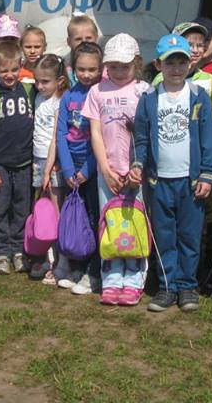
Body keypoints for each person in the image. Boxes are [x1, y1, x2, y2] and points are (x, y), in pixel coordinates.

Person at [133, 34, 212, 313]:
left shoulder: (198, 96)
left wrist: (207, 173)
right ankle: (167, 286)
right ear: (159, 65)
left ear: (190, 63)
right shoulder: (149, 99)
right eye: (170, 63)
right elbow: (141, 138)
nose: (176, 68)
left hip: (190, 182)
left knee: (189, 235)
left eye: (182, 62)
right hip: (159, 181)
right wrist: (138, 163)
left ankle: (187, 286)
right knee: (165, 235)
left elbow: (208, 137)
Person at [82, 33, 151, 306]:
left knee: (135, 223)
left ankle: (134, 277)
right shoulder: (97, 91)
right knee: (110, 224)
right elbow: (95, 133)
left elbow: (146, 134)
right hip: (107, 172)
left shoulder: (144, 91)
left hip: (136, 172)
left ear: (137, 63)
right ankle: (111, 276)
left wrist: (138, 168)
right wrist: (105, 169)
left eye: (125, 66)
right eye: (113, 66)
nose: (119, 72)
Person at [55, 41, 103, 294]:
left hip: (92, 168)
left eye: (92, 69)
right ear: (73, 68)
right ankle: (75, 264)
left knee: (93, 218)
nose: (86, 74)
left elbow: (102, 138)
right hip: (71, 170)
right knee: (74, 216)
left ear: (100, 69)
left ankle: (92, 271)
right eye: (81, 69)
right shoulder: (68, 97)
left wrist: (86, 169)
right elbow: (61, 134)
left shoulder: (101, 95)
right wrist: (67, 169)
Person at [0, 40, 36, 275]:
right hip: (0, 162)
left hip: (25, 161)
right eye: (4, 70)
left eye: (14, 69)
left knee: (21, 207)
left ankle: (18, 250)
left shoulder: (29, 90)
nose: (9, 75)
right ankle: (1, 252)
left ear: (21, 66)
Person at [30, 54, 69, 282]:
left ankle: (61, 261)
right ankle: (45, 254)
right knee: (43, 209)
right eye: (37, 81)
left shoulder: (59, 101)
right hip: (38, 158)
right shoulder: (39, 98)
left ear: (59, 80)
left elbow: (56, 137)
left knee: (56, 209)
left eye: (45, 82)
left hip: (53, 161)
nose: (39, 86)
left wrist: (49, 168)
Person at [152, 22, 212, 115]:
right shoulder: (160, 78)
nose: (195, 50)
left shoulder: (210, 80)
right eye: (189, 45)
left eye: (199, 45)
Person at [64, 15, 99, 85]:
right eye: (78, 39)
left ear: (96, 39)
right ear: (69, 42)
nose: (84, 42)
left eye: (88, 38)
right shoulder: (63, 66)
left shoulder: (104, 64)